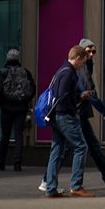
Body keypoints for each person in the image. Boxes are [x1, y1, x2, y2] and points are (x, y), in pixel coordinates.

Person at [43, 46, 93, 197]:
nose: (82, 66)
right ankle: (76, 185)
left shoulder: (61, 70)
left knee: (56, 149)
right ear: (78, 58)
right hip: (65, 115)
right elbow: (62, 95)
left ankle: (50, 187)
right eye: (83, 62)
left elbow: (62, 94)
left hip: (55, 116)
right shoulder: (69, 73)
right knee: (81, 146)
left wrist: (78, 96)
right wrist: (73, 109)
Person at [74, 38, 105, 188]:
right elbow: (90, 94)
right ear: (82, 52)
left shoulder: (87, 66)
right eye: (88, 51)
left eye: (94, 51)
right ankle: (50, 180)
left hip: (79, 112)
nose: (92, 54)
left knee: (92, 146)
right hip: (77, 113)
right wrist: (104, 110)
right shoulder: (82, 69)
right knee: (70, 148)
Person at [0, 48, 35, 171]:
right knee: (18, 135)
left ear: (7, 59)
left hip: (6, 108)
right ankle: (17, 162)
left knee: (5, 135)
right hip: (21, 109)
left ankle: (1, 161)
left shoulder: (2, 72)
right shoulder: (25, 72)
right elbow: (32, 88)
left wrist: (2, 102)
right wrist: (25, 101)